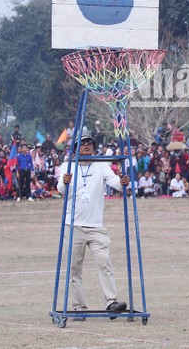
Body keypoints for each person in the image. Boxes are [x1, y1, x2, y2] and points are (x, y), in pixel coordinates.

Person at [57, 136, 129, 317]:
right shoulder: (67, 166)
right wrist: (64, 182)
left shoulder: (101, 165)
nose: (87, 146)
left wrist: (122, 182)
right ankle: (78, 306)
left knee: (104, 261)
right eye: (82, 144)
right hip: (73, 225)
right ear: (75, 149)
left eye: (90, 144)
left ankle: (111, 302)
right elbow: (61, 190)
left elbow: (115, 183)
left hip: (96, 226)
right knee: (74, 268)